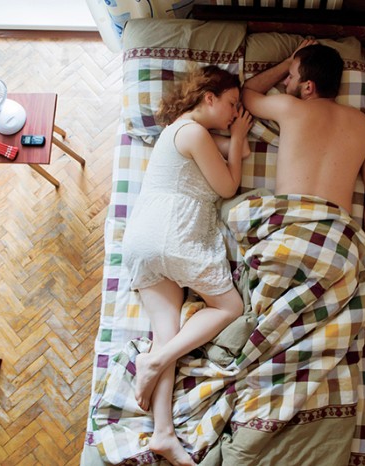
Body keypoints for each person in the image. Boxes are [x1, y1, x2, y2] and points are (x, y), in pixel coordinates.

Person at [123, 65, 252, 466]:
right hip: (173, 235)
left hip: (143, 239)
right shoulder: (194, 132)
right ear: (209, 97)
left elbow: (242, 137)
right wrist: (238, 138)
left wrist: (235, 134)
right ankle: (154, 361)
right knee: (230, 306)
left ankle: (163, 433)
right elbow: (228, 186)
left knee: (167, 336)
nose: (235, 112)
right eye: (231, 103)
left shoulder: (177, 131)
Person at [242, 41, 365, 251]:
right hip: (335, 238)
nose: (285, 81)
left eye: (291, 76)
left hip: (288, 228)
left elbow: (247, 92)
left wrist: (287, 62)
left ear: (308, 87)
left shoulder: (289, 107)